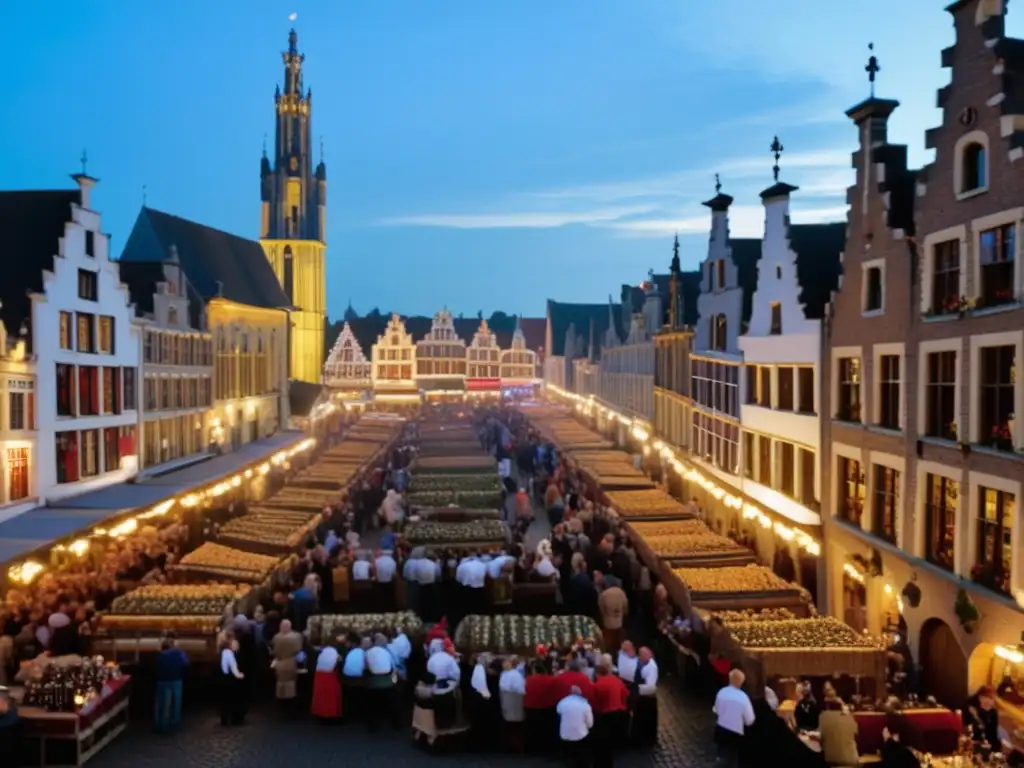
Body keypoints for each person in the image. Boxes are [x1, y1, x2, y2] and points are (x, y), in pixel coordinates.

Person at [713, 668, 755, 767]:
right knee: (733, 760)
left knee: (721, 756)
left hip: (720, 730)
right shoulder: (743, 697)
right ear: (741, 682)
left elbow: (716, 710)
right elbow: (750, 720)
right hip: (735, 734)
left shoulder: (721, 692)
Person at [593, 662, 630, 764]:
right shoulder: (618, 681)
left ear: (597, 674)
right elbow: (625, 694)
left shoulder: (598, 684)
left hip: (607, 714)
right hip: (620, 712)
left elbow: (596, 702)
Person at [154, 635, 188, 733]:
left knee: (161, 704)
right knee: (175, 703)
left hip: (162, 680)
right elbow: (186, 663)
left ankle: (160, 725)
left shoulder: (159, 655)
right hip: (176, 680)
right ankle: (174, 724)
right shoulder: (180, 653)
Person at [365, 633, 398, 731]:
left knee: (372, 706)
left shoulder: (368, 652)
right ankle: (396, 725)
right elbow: (393, 667)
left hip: (373, 683)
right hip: (387, 683)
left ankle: (372, 726)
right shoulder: (387, 652)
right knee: (393, 703)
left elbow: (366, 666)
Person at [271, 619, 304, 715]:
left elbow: (274, 651)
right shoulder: (296, 637)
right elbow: (299, 649)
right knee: (291, 686)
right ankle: (291, 709)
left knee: (280, 684)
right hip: (291, 663)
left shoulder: (276, 637)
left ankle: (281, 707)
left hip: (279, 663)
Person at [524, 659, 557, 753]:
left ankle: (532, 748)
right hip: (546, 707)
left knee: (532, 729)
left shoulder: (529, 679)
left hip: (531, 707)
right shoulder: (551, 679)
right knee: (546, 729)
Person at [557, 684, 594, 767]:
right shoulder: (585, 705)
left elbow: (558, 711)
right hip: (581, 735)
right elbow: (590, 723)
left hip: (565, 734)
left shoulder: (562, 702)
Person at [629, 646, 659, 746]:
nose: (640, 657)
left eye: (642, 655)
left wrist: (637, 688)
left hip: (647, 698)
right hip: (642, 696)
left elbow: (650, 686)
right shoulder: (642, 663)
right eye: (640, 654)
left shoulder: (652, 667)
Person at [819, 701, 860, 766]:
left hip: (828, 758)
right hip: (849, 759)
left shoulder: (823, 717)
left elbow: (821, 736)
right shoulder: (848, 717)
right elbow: (856, 733)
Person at [311, 643, 343, 721]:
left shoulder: (321, 653)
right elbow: (339, 663)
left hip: (319, 675)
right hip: (331, 676)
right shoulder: (336, 654)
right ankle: (331, 714)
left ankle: (319, 713)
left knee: (320, 696)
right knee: (331, 697)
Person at [219, 634, 246, 726]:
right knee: (232, 700)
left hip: (227, 680)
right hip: (231, 680)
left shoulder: (224, 653)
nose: (235, 646)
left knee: (226, 700)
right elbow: (234, 668)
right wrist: (239, 675)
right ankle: (234, 718)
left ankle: (227, 718)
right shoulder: (229, 654)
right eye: (233, 644)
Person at [597, 576, 628, 651]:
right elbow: (625, 607)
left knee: (608, 642)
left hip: (608, 622)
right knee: (618, 640)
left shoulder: (604, 594)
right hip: (619, 622)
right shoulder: (621, 592)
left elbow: (601, 609)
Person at [963, 685, 1000, 749]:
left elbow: (993, 733)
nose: (990, 701)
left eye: (992, 698)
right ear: (979, 697)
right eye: (988, 697)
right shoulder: (969, 707)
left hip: (985, 743)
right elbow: (966, 728)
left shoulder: (993, 711)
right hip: (970, 741)